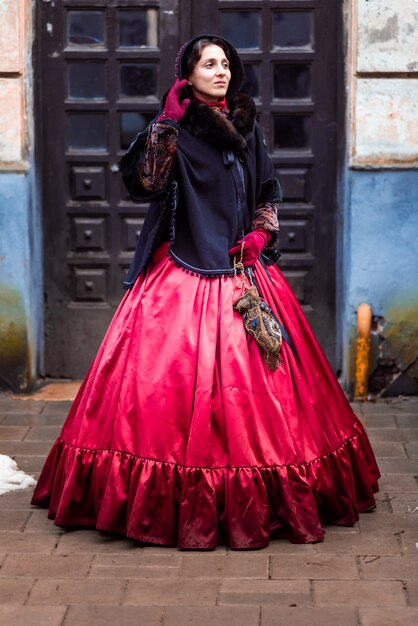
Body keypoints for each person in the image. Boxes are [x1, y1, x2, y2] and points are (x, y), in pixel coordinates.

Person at [31, 35, 380, 549]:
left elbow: (269, 190)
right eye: (209, 64)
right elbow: (144, 183)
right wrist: (168, 125)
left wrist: (262, 232)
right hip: (183, 275)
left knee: (270, 398)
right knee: (163, 392)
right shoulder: (172, 129)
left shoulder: (246, 124)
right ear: (187, 75)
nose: (221, 71)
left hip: (246, 271)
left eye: (225, 64)